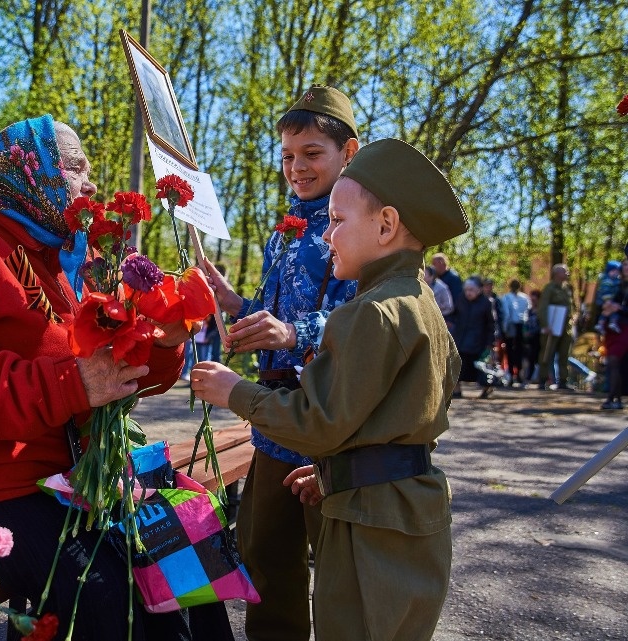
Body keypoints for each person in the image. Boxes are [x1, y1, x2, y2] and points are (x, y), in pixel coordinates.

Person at [0, 115, 230, 640]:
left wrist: (167, 339)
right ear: (28, 168)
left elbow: (112, 365)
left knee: (191, 574)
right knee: (108, 593)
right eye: (75, 166)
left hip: (63, 480)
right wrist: (76, 385)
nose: (90, 183)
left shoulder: (69, 259)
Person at [191, 138, 469, 641]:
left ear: (385, 225)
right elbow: (398, 418)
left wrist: (235, 391)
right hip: (405, 511)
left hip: (369, 526)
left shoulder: (369, 312)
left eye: (338, 223)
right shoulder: (418, 301)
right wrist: (337, 470)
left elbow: (318, 422)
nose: (329, 237)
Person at [201, 85, 358, 641]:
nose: (297, 168)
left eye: (313, 153)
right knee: (263, 553)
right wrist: (234, 304)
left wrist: (293, 333)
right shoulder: (284, 232)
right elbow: (273, 321)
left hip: (330, 417)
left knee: (342, 564)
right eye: (288, 156)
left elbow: (359, 322)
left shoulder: (361, 227)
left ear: (350, 153)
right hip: (273, 419)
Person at [451, 277, 496, 399]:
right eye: (466, 290)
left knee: (482, 368)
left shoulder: (487, 303)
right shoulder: (460, 300)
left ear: (479, 290)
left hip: (479, 342)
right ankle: (457, 390)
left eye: (471, 290)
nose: (468, 293)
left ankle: (486, 389)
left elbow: (492, 325)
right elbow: (453, 316)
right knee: (458, 367)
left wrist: (490, 342)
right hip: (461, 340)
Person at [537, 264, 574, 391]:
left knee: (564, 354)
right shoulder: (549, 288)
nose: (567, 273)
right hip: (552, 326)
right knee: (547, 353)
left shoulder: (567, 288)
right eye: (564, 271)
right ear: (556, 274)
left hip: (565, 327)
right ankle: (543, 379)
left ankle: (563, 381)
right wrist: (545, 325)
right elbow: (543, 307)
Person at [600, 257, 628, 410]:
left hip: (625, 329)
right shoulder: (617, 285)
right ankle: (617, 400)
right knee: (615, 363)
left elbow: (621, 307)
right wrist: (607, 307)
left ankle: (611, 398)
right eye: (624, 264)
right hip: (613, 328)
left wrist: (619, 308)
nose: (626, 267)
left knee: (614, 360)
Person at [500, 279, 530, 386]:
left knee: (513, 351)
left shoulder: (508, 297)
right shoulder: (524, 298)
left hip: (514, 326)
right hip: (518, 326)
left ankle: (515, 374)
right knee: (517, 351)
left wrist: (504, 328)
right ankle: (517, 374)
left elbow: (506, 314)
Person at [594, 259, 623, 335]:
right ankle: (602, 324)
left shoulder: (615, 280)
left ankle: (610, 323)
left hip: (610, 300)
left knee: (611, 311)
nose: (616, 273)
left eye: (617, 272)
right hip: (605, 300)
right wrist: (608, 300)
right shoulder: (606, 281)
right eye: (614, 271)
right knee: (608, 311)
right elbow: (605, 291)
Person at [523, 289, 543, 385]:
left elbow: (541, 325)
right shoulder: (530, 311)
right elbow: (527, 323)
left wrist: (532, 332)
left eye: (534, 300)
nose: (533, 301)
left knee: (538, 359)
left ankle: (540, 378)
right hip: (530, 339)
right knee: (530, 358)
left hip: (539, 338)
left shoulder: (541, 311)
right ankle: (528, 378)